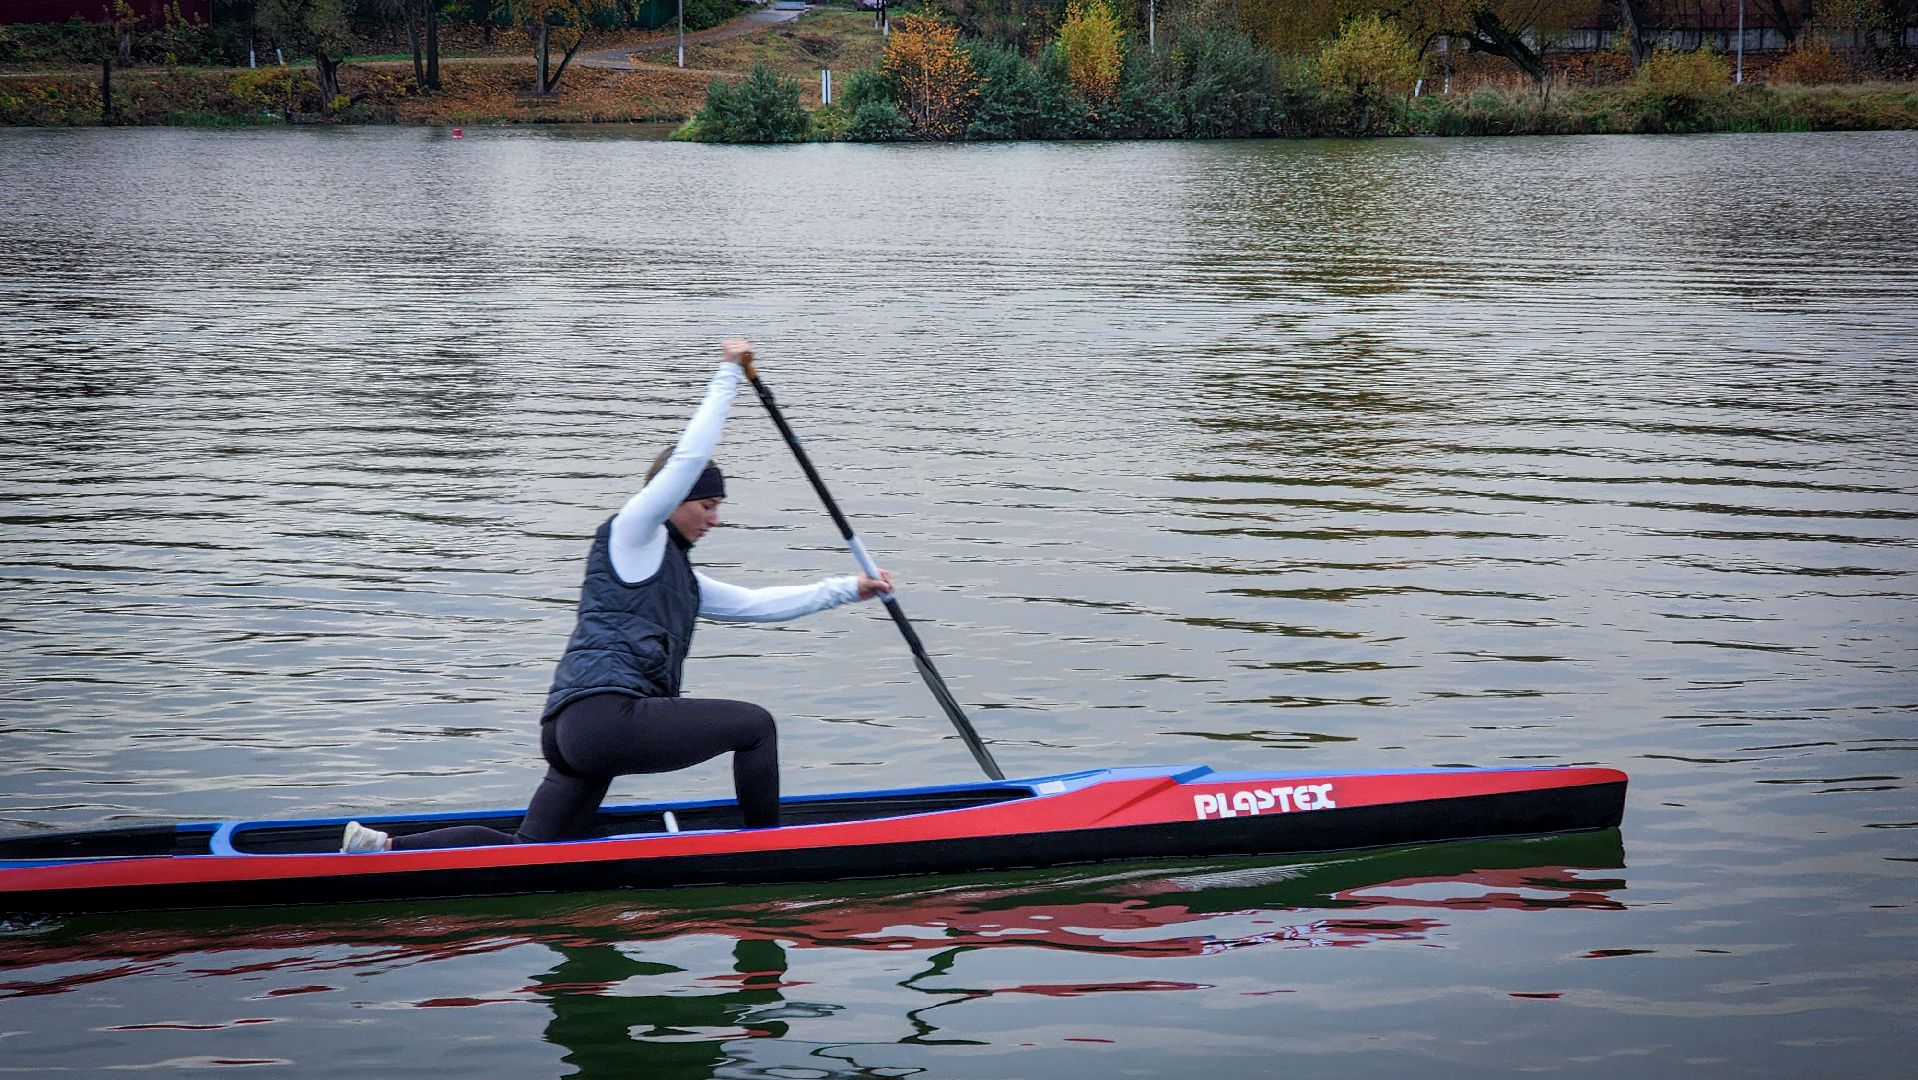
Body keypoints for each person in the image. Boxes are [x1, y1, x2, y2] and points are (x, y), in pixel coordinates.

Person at [341, 338, 890, 852]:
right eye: (707, 505)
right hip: (604, 719)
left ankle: (380, 851)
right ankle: (768, 851)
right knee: (754, 728)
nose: (714, 518)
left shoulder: (678, 578)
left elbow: (755, 605)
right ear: (673, 499)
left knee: (533, 856)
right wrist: (728, 376)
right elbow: (687, 459)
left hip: (572, 732)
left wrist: (847, 589)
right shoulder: (634, 533)